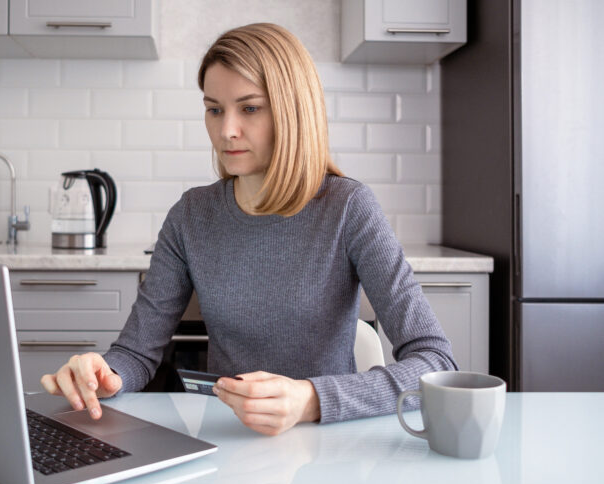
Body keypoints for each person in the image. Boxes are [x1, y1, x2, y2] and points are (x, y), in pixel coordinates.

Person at [41, 23, 457, 436]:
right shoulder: (191, 215)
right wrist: (105, 373)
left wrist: (309, 400)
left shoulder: (349, 208)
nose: (226, 131)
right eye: (215, 109)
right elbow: (135, 353)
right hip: (226, 438)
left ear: (292, 112)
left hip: (329, 441)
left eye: (250, 108)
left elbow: (436, 362)